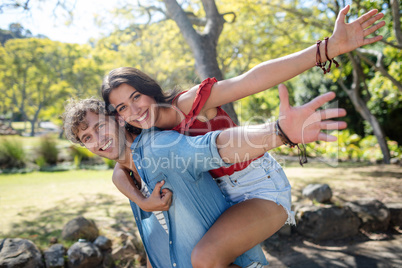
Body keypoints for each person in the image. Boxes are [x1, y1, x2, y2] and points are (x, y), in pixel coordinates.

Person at [101, 5, 384, 267]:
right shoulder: (143, 134)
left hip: (258, 188)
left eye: (136, 96)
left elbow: (252, 79)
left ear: (148, 89)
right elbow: (118, 171)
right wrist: (141, 201)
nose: (134, 110)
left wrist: (326, 49)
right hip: (217, 198)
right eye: (123, 107)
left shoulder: (187, 103)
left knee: (205, 257)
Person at [63, 87, 346, 267]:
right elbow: (158, 242)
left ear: (119, 120)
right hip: (224, 218)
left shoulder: (158, 147)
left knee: (206, 258)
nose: (97, 139)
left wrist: (279, 133)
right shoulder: (128, 173)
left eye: (100, 127)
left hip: (258, 192)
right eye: (87, 137)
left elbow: (215, 146)